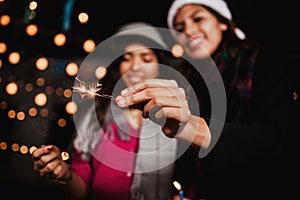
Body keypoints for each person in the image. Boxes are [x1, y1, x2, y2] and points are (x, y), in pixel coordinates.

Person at [115, 0, 289, 199]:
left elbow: (274, 139)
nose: (188, 30)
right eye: (180, 28)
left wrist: (191, 127)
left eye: (198, 19)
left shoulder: (263, 63)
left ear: (222, 22)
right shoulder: (185, 80)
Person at [32, 22, 178, 200]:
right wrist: (63, 173)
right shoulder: (96, 117)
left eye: (146, 59)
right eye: (126, 58)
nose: (135, 66)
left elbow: (188, 182)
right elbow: (80, 190)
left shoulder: (175, 117)